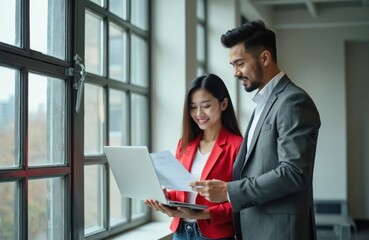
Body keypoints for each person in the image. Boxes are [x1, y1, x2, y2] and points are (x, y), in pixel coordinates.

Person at [190, 20, 321, 240]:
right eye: (232, 65)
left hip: (279, 232)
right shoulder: (264, 103)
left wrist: (230, 191)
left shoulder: (293, 101)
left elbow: (294, 173)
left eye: (239, 63)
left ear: (265, 58)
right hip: (255, 229)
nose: (235, 73)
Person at [145, 73, 243, 240]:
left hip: (215, 235)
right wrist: (165, 199)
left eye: (206, 106)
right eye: (192, 107)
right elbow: (180, 191)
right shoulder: (184, 144)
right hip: (181, 232)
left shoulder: (237, 145)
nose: (199, 113)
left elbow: (242, 199)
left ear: (224, 104)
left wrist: (202, 214)